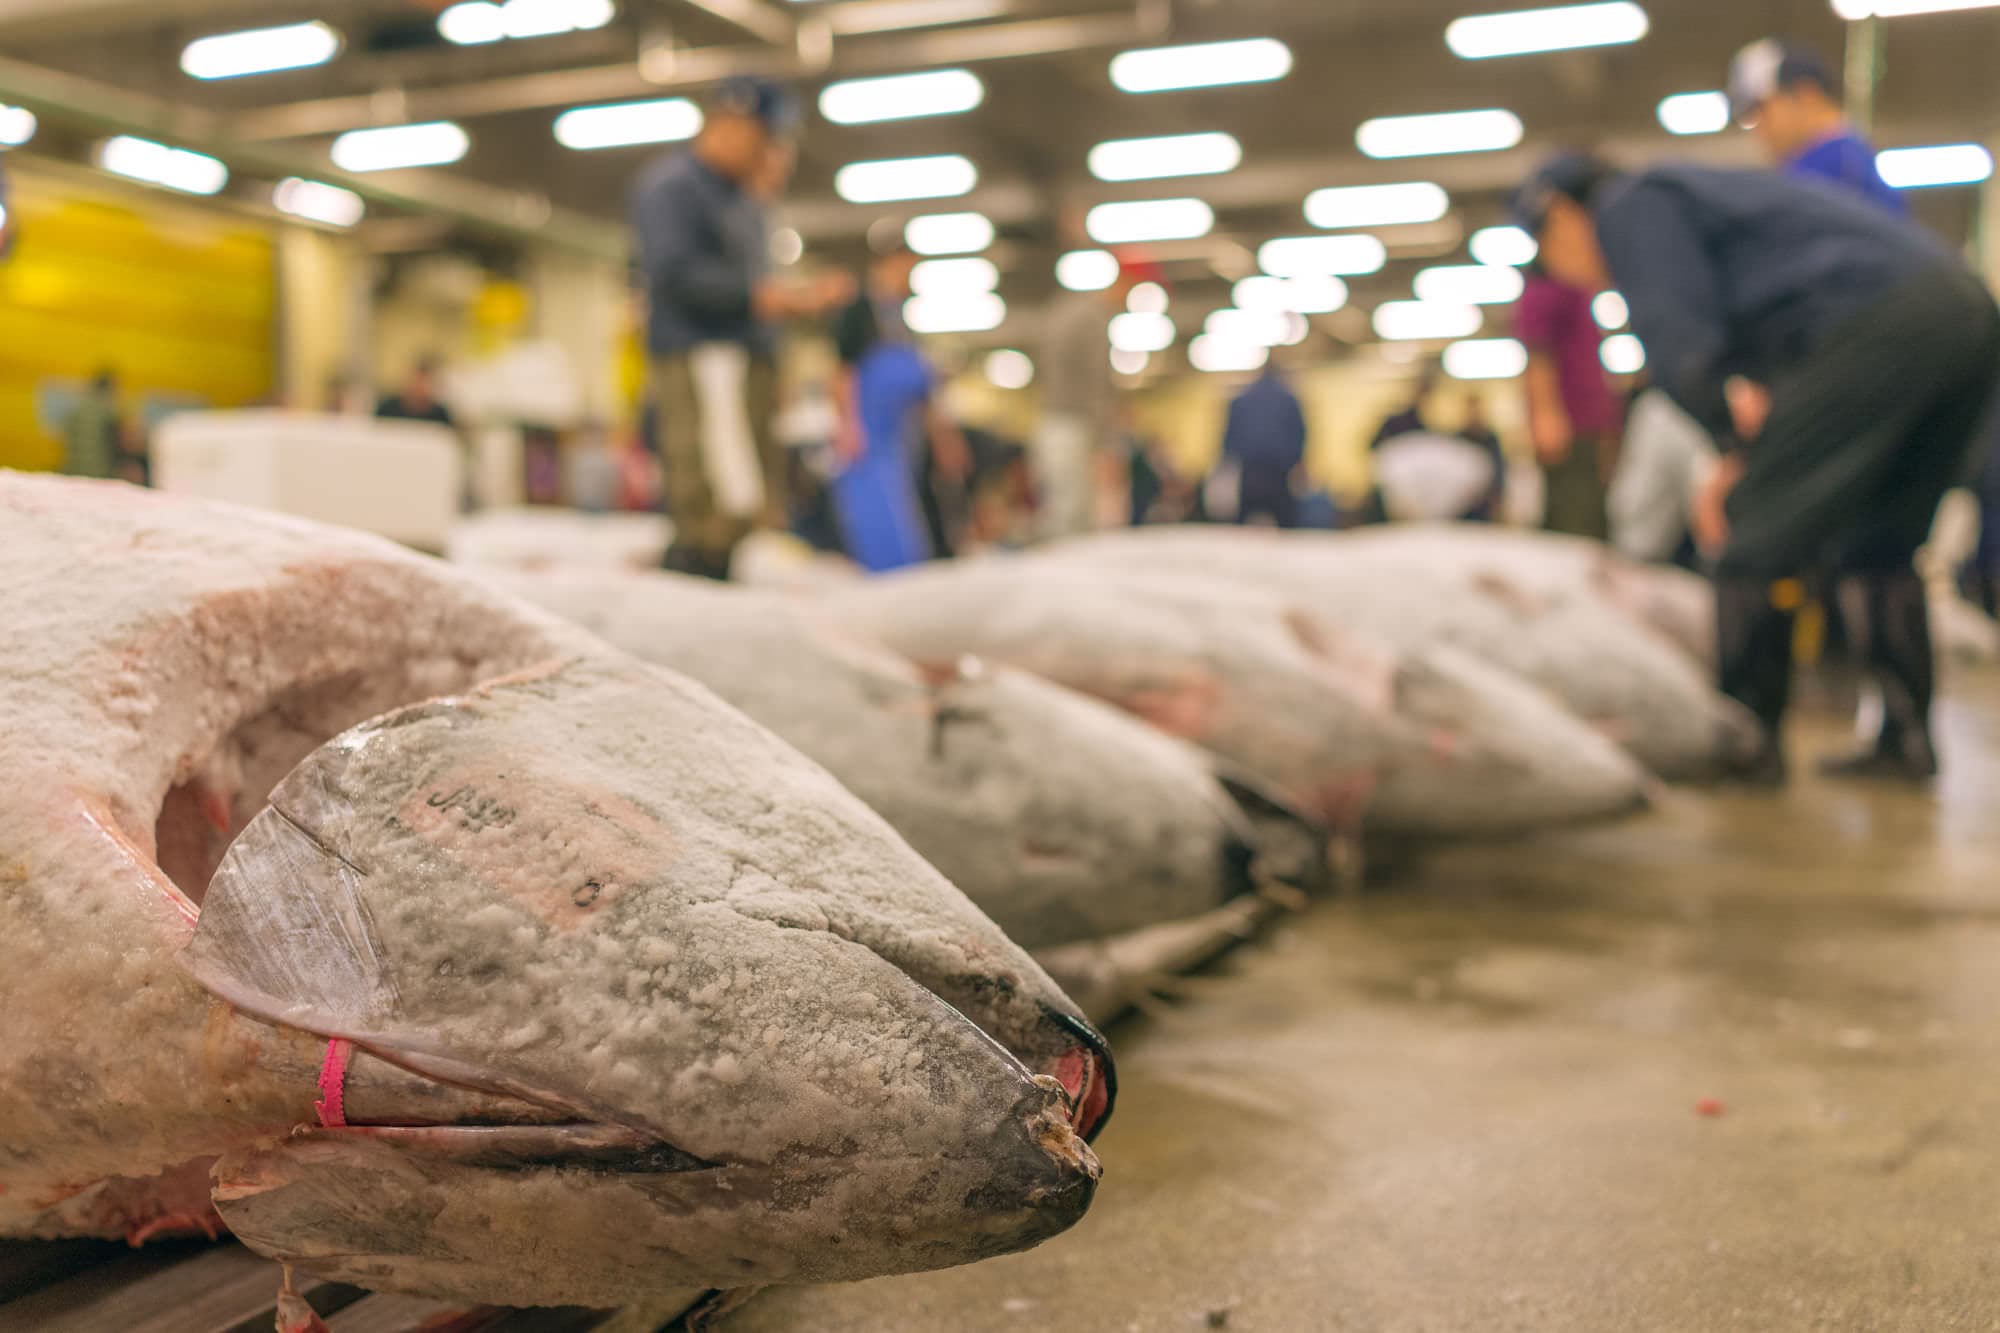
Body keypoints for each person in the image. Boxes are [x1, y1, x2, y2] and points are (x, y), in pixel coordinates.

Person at [1516, 152, 2000, 784]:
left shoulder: (1632, 205)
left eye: (1548, 251)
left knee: (1753, 534)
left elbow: (1681, 350)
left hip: (1880, 323)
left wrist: (1734, 454)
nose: (1570, 275)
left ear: (1559, 211)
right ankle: (1906, 740)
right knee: (1879, 542)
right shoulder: (1704, 193)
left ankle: (1743, 746)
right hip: (1962, 310)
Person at [630, 76, 850, 580]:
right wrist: (762, 298)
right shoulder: (674, 187)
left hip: (742, 361)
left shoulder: (742, 199)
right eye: (765, 139)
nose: (771, 153)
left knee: (744, 501)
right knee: (707, 500)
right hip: (701, 360)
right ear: (731, 125)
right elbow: (672, 274)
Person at [828, 238, 969, 572]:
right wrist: (849, 425)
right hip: (868, 433)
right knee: (875, 513)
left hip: (900, 435)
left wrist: (944, 437)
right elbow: (841, 373)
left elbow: (923, 390)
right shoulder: (859, 310)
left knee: (907, 513)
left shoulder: (902, 320)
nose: (908, 276)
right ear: (885, 264)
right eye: (904, 266)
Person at [1034, 257, 1148, 540]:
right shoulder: (1093, 318)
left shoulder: (1066, 309)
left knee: (1065, 508)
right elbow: (1097, 381)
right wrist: (1108, 438)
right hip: (1073, 424)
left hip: (1055, 420)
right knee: (1073, 513)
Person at [1728, 39, 1904, 215]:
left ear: (1806, 94)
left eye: (1760, 110)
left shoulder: (1824, 173)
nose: (1758, 127)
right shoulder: (1855, 162)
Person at [1516, 266, 1617, 540]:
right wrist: (1546, 416)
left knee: (1590, 517)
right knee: (1573, 523)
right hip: (1569, 428)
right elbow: (1538, 355)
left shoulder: (1575, 286)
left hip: (1586, 427)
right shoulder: (1543, 291)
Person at [1219, 362, 1308, 528]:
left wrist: (1226, 468)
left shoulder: (1240, 399)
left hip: (1249, 472)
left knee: (1243, 525)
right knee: (1286, 525)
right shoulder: (1289, 399)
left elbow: (1229, 440)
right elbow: (1300, 436)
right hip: (1279, 473)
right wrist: (1299, 464)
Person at [61, 369, 121, 480]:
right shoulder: (106, 413)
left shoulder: (76, 410)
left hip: (73, 470)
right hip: (97, 474)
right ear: (108, 389)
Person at [1456, 395, 1507, 522]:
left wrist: (1497, 498)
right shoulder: (1458, 437)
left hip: (1485, 502)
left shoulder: (1491, 439)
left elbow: (1499, 469)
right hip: (1462, 502)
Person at [375, 356, 455, 428]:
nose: (418, 388)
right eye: (416, 382)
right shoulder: (387, 408)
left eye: (424, 384)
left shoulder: (440, 415)